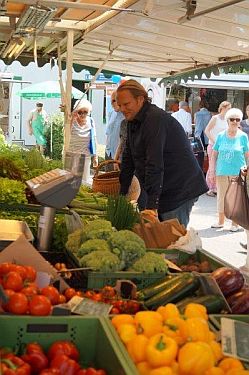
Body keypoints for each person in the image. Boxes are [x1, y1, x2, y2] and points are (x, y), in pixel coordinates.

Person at [116, 79, 208, 228]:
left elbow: (154, 163)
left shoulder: (154, 119)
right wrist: (122, 195)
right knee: (158, 237)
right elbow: (128, 158)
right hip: (163, 186)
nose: (122, 109)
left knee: (171, 240)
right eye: (120, 105)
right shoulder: (132, 120)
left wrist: (152, 206)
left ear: (140, 99)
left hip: (179, 188)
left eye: (126, 104)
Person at [209, 108, 249, 231]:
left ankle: (235, 223)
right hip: (222, 171)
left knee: (236, 199)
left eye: (238, 120)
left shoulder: (243, 137)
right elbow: (214, 154)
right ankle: (221, 222)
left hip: (238, 173)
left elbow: (247, 155)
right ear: (228, 120)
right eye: (232, 119)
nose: (235, 122)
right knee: (221, 197)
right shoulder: (221, 135)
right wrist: (212, 170)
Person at [205, 101, 231, 197]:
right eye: (228, 108)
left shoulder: (227, 120)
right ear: (223, 108)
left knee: (219, 167)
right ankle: (209, 188)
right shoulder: (215, 118)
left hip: (223, 147)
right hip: (213, 145)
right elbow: (207, 130)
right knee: (212, 167)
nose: (229, 110)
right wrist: (215, 141)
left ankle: (216, 187)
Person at [69, 98, 98, 183]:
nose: (82, 114)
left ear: (88, 112)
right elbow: (65, 133)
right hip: (73, 154)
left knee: (84, 181)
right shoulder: (72, 121)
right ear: (76, 112)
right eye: (80, 112)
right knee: (73, 181)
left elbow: (94, 138)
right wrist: (71, 119)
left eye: (85, 112)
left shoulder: (91, 121)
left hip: (86, 155)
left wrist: (95, 156)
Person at [105, 90, 125, 171]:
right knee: (107, 180)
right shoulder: (111, 114)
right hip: (108, 152)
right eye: (111, 101)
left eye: (114, 100)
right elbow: (108, 133)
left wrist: (118, 158)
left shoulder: (126, 115)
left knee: (117, 181)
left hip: (119, 156)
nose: (111, 104)